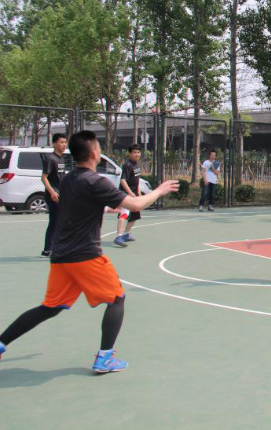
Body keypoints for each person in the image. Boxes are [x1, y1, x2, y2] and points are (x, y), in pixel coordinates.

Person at [0, 131, 179, 372]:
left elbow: (81, 205)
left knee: (50, 307)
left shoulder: (69, 179)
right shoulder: (96, 181)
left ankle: (1, 343)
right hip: (85, 255)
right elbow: (136, 204)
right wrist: (159, 190)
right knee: (116, 299)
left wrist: (103, 208)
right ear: (95, 153)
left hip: (61, 255)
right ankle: (105, 358)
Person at [41, 133, 67, 258]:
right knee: (54, 222)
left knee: (60, 222)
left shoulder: (61, 159)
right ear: (55, 144)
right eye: (61, 142)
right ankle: (47, 250)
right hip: (53, 196)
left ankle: (54, 248)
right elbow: (44, 177)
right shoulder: (50, 158)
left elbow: (61, 177)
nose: (64, 145)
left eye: (65, 142)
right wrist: (52, 192)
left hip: (61, 195)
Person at [113, 144, 143, 248]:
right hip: (125, 194)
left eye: (138, 152)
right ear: (130, 154)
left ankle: (126, 234)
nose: (137, 154)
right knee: (124, 214)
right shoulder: (127, 165)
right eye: (134, 152)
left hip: (134, 194)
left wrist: (138, 191)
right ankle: (119, 237)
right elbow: (123, 180)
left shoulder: (137, 165)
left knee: (135, 214)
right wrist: (130, 193)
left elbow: (137, 180)